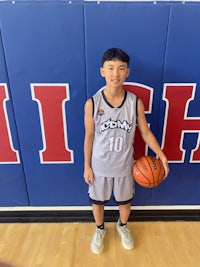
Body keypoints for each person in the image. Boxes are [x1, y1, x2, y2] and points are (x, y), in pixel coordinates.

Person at [83, 48, 169, 254]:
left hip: (124, 165)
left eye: (121, 68)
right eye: (111, 68)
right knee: (98, 202)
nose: (116, 73)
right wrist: (86, 165)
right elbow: (89, 136)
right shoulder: (92, 103)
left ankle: (122, 226)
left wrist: (162, 155)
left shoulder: (135, 102)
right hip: (100, 165)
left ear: (127, 73)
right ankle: (100, 228)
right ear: (102, 71)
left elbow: (146, 132)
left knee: (125, 202)